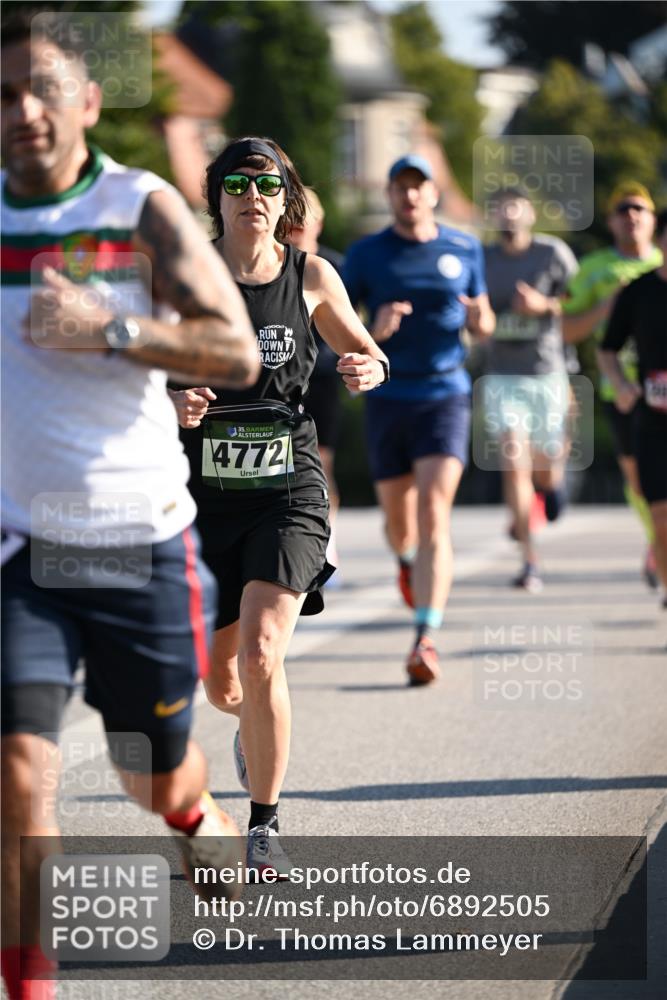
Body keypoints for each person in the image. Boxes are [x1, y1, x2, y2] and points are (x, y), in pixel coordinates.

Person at [1, 15, 260, 999]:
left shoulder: (139, 204)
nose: (24, 111)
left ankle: (194, 817)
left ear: (87, 103)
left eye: (42, 89)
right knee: (19, 771)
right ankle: (29, 983)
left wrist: (113, 327)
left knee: (152, 773)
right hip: (22, 547)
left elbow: (233, 353)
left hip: (138, 545)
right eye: (3, 95)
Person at [169, 136, 389, 875]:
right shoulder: (183, 277)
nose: (252, 195)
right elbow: (127, 375)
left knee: (264, 653)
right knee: (223, 681)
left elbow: (368, 353)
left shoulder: (313, 274)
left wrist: (365, 366)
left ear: (285, 200)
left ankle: (263, 826)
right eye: (236, 183)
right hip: (201, 495)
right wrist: (171, 398)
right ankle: (254, 729)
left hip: (286, 487)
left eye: (267, 184)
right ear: (216, 198)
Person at [343, 155, 495, 685]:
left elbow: (484, 315)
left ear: (433, 193)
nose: (410, 196)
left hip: (445, 393)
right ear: (390, 195)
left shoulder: (464, 246)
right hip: (388, 396)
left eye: (419, 187)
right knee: (398, 524)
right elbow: (336, 328)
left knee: (434, 509)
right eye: (400, 188)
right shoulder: (366, 254)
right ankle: (407, 561)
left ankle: (425, 635)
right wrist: (374, 330)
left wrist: (481, 319)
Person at [562, 182, 662, 587]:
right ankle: (659, 541)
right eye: (623, 209)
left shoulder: (663, 263)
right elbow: (566, 329)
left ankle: (659, 549)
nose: (631, 216)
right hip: (621, 392)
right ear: (611, 221)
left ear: (653, 221)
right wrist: (609, 305)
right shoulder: (595, 268)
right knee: (640, 480)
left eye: (640, 209)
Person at [482, 187, 579, 592]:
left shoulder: (552, 253)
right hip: (503, 376)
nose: (508, 214)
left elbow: (578, 299)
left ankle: (551, 485)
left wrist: (544, 305)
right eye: (500, 208)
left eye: (515, 206)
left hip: (547, 372)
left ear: (530, 214)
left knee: (545, 464)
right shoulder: (482, 258)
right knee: (513, 460)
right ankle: (529, 561)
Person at [598, 207, 667, 606]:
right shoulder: (638, 291)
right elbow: (607, 350)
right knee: (659, 517)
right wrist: (621, 384)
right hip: (652, 420)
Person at [286, 188, 344, 573]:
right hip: (286, 381)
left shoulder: (334, 266)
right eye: (292, 223)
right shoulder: (277, 267)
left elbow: (353, 325)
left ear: (318, 224)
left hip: (323, 377)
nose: (298, 230)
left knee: (321, 463)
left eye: (304, 222)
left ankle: (328, 540)